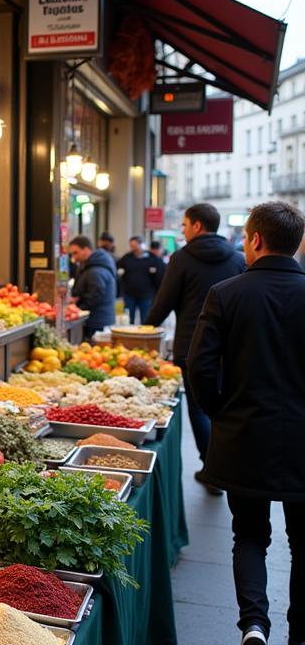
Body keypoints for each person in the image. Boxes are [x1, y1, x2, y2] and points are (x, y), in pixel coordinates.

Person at [187, 201, 305, 645]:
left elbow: (200, 367)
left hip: (244, 435)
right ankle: (300, 638)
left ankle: (254, 626)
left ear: (255, 240)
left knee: (250, 536)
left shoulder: (226, 294)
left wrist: (220, 412)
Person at [145, 203, 244, 487]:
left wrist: (146, 329)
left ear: (197, 226)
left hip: (192, 345)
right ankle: (226, 465)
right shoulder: (237, 258)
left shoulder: (181, 258)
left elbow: (164, 302)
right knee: (226, 406)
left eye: (185, 225)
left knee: (199, 407)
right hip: (231, 347)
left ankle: (210, 467)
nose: (182, 230)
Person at [69, 235, 117, 339]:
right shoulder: (90, 267)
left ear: (86, 250)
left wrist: (78, 308)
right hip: (99, 318)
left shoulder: (95, 271)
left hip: (97, 321)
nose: (74, 258)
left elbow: (96, 296)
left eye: (75, 253)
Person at [116, 235, 162, 324]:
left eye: (134, 246)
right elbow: (117, 269)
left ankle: (144, 337)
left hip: (146, 295)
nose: (132, 248)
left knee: (146, 319)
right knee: (129, 319)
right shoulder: (126, 258)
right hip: (129, 294)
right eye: (131, 246)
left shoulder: (152, 258)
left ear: (141, 245)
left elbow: (159, 276)